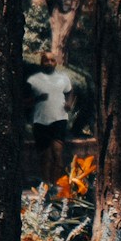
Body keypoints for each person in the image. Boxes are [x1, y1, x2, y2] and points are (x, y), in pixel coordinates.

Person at [25, 53, 77, 185]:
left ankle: (56, 185)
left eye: (52, 60)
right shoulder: (33, 80)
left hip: (59, 119)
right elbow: (25, 102)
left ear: (56, 62)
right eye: (46, 60)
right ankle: (46, 186)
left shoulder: (63, 78)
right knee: (45, 156)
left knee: (57, 153)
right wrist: (38, 99)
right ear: (41, 62)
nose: (49, 63)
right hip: (40, 121)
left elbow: (70, 92)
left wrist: (69, 103)